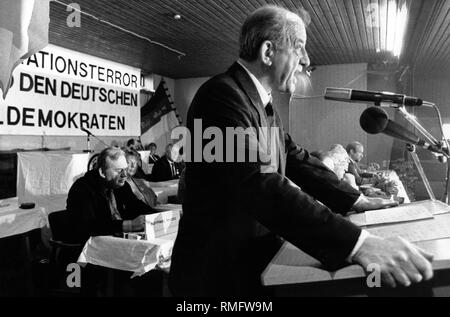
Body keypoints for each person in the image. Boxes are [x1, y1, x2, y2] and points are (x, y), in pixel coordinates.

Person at [169, 5, 433, 296]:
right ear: (268, 52)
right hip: (215, 278)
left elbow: (294, 158)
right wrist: (359, 243)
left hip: (244, 265)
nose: (306, 60)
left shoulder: (256, 101)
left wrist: (354, 199)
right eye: (299, 48)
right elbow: (259, 183)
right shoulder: (220, 98)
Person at [66, 147, 157, 244]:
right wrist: (128, 225)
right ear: (102, 172)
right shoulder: (82, 189)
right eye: (119, 171)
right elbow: (88, 226)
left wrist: (158, 216)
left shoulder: (121, 185)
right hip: (89, 248)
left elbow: (136, 206)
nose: (124, 175)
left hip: (116, 242)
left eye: (125, 169)